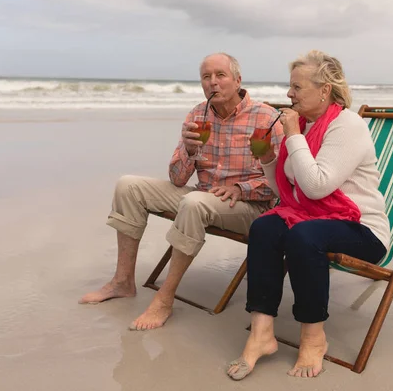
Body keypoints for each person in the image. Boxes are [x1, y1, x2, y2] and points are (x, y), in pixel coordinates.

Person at [79, 53, 284, 331]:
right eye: (206, 77)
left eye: (220, 75)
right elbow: (177, 178)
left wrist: (241, 187)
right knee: (129, 185)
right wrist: (188, 151)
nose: (213, 83)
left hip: (251, 208)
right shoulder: (197, 114)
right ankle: (123, 281)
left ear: (237, 80)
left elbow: (283, 182)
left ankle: (164, 298)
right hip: (201, 196)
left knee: (194, 201)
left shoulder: (267, 118)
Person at [227, 50, 391, 380]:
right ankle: (261, 334)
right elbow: (285, 188)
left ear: (324, 90)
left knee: (303, 236)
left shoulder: (348, 126)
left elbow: (315, 186)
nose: (289, 94)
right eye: (290, 87)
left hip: (361, 228)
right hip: (311, 218)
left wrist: (293, 136)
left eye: (297, 87)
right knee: (265, 227)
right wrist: (270, 158)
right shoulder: (304, 126)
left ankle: (314, 338)